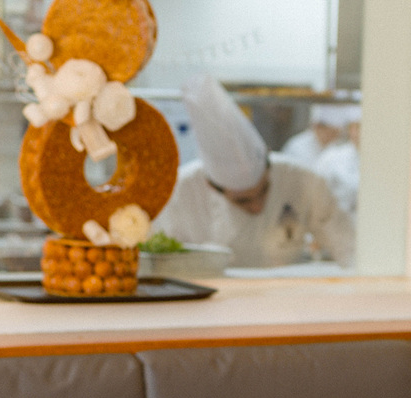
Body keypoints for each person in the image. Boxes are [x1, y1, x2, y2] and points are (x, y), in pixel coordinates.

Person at [154, 76, 354, 268]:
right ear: (211, 186)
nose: (258, 206)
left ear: (269, 163)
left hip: (285, 288)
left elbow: (350, 248)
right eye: (243, 200)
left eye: (264, 189)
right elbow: (159, 264)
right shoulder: (178, 193)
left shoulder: (303, 180)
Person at [282, 104, 361, 215]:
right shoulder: (297, 147)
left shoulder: (336, 149)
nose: (334, 135)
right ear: (316, 126)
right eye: (354, 128)